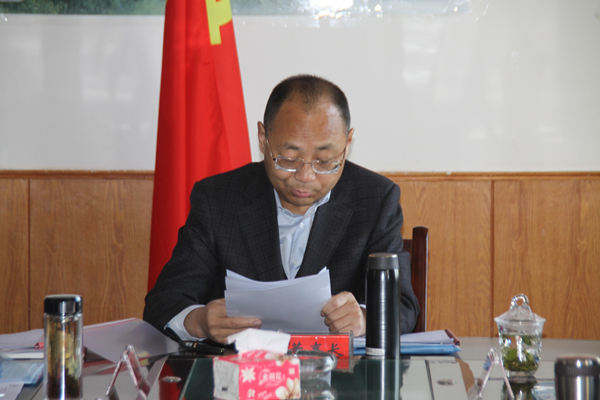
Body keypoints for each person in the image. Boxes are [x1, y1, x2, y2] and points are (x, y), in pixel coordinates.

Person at [144, 75, 419, 344]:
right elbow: (164, 302)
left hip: (338, 371)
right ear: (263, 138)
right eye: (288, 159)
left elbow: (403, 305)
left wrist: (365, 318)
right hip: (240, 371)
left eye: (325, 161)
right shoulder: (218, 200)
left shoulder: (375, 200)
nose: (306, 176)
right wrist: (199, 321)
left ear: (347, 144)